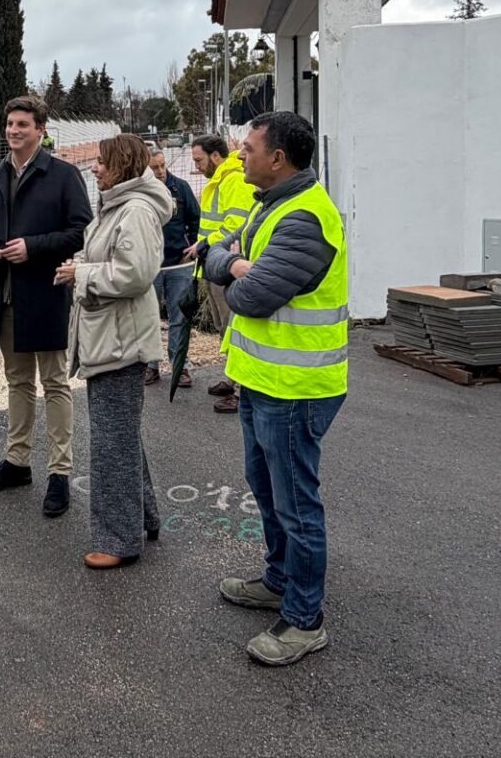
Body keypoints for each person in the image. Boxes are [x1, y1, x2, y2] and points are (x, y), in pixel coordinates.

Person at [202, 111, 347, 665]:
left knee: (296, 504)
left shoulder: (305, 218)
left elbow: (250, 297)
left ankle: (305, 620)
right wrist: (237, 264)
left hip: (296, 387)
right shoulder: (271, 205)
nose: (240, 156)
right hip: (262, 380)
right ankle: (279, 580)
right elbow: (216, 253)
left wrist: (235, 270)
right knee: (265, 488)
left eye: (249, 149)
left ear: (278, 159)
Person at [0, 97, 93, 517]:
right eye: (10, 123)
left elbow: (81, 231)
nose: (13, 130)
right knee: (17, 382)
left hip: (45, 294)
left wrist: (34, 247)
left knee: (55, 383)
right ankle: (17, 462)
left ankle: (59, 472)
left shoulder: (63, 175)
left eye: (22, 124)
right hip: (4, 296)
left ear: (41, 129)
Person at [56, 134, 173, 569]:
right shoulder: (121, 206)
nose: (95, 168)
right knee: (121, 436)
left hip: (119, 343)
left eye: (102, 161)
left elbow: (135, 275)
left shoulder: (135, 210)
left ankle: (119, 541)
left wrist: (81, 274)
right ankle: (143, 518)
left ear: (122, 165)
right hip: (113, 338)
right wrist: (83, 267)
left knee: (111, 444)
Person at [188, 133, 257, 402]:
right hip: (214, 264)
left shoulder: (234, 181)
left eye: (199, 160)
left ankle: (241, 390)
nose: (196, 167)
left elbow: (235, 226)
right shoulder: (219, 181)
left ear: (215, 156)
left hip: (226, 266)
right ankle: (231, 378)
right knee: (222, 326)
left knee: (232, 326)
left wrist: (204, 244)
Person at [147, 150, 201, 386]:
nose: (160, 171)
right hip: (150, 266)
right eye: (154, 168)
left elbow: (195, 218)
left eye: (162, 165)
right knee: (148, 317)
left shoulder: (180, 188)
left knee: (179, 317)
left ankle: (180, 366)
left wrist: (191, 246)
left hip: (179, 263)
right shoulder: (142, 191)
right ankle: (150, 365)